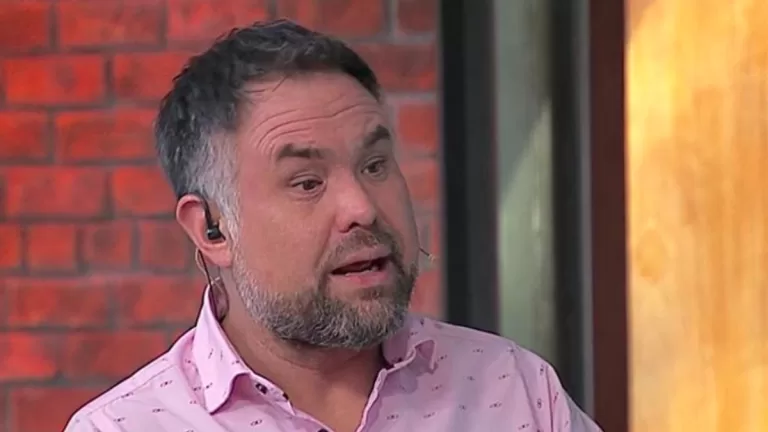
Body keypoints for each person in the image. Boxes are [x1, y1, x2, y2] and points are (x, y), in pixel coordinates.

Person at [64, 20, 601, 432]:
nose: (361, 207)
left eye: (375, 166)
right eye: (307, 183)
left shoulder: (516, 392)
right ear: (212, 229)